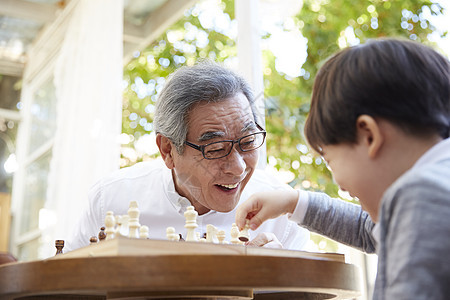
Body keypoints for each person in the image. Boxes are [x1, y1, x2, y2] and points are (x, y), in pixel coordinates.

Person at [235, 38, 450, 300]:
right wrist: (293, 202)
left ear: (368, 135)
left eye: (329, 160)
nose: (339, 184)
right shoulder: (434, 190)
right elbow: (368, 230)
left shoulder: (424, 195)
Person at [66, 62, 309, 251]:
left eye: (247, 142)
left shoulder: (283, 216)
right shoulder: (108, 201)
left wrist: (281, 276)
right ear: (168, 150)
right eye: (214, 149)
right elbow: (67, 288)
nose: (237, 168)